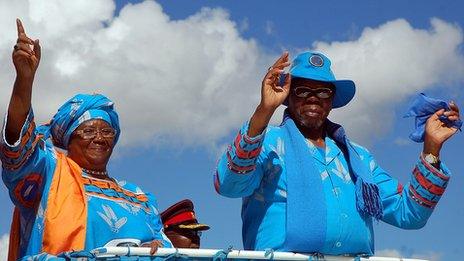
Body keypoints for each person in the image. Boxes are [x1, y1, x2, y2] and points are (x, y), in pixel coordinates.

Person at [214, 51, 460, 256]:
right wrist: (263, 111)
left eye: (323, 92)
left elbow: (410, 214)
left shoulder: (359, 158)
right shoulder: (266, 141)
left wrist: (431, 148)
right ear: (287, 97)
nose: (313, 99)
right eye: (302, 91)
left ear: (332, 101)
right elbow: (229, 185)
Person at [1, 19, 172, 260]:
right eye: (89, 131)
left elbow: (163, 244)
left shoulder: (139, 196)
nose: (100, 138)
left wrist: (157, 248)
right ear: (69, 139)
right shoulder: (49, 173)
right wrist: (24, 80)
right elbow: (17, 150)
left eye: (107, 131)